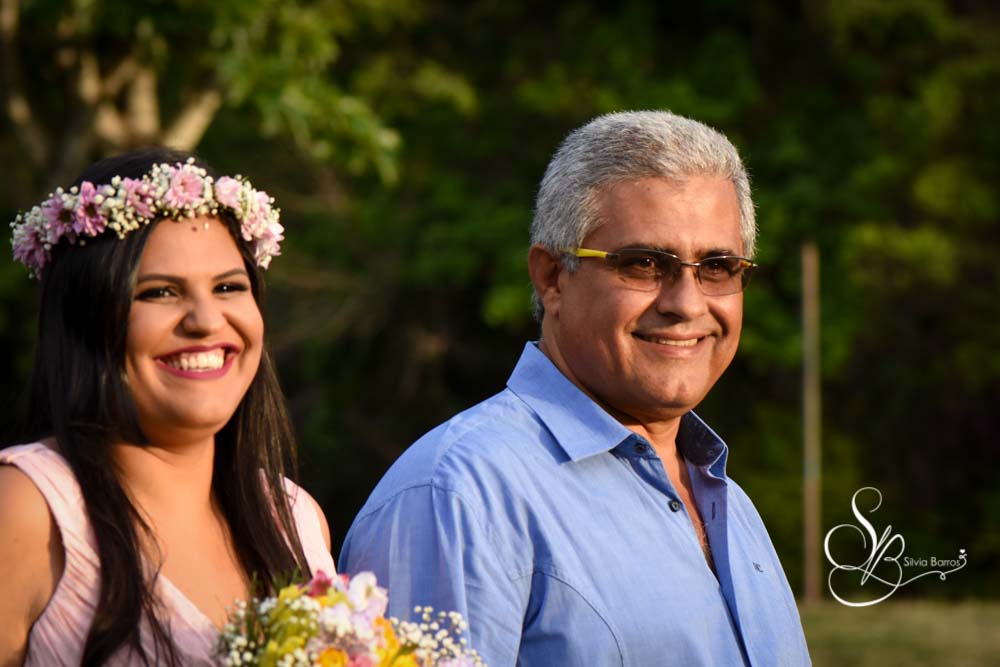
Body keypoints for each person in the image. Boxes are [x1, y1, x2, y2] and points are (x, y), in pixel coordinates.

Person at [339, 111, 811, 665]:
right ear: (552, 277)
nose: (686, 303)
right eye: (643, 263)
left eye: (718, 266)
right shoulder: (459, 494)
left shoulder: (727, 501)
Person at [0, 149, 335, 666]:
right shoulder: (28, 510)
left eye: (228, 287)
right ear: (85, 317)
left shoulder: (293, 517)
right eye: (159, 293)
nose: (206, 320)